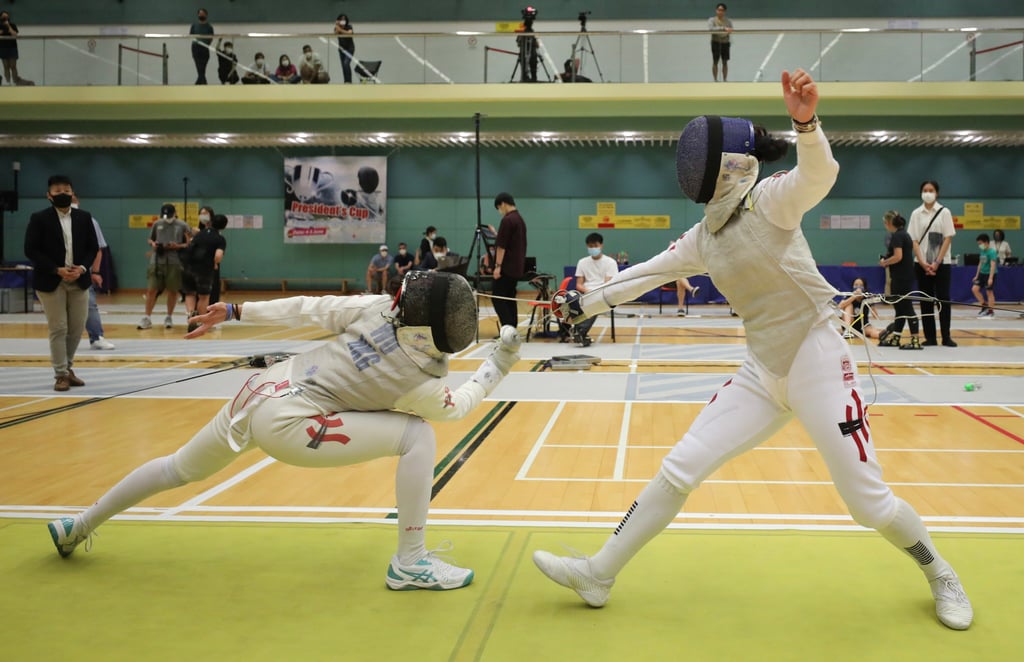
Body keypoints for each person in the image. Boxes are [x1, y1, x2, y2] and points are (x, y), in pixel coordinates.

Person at [534, 69, 973, 631]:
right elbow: (642, 274)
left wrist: (806, 124)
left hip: (819, 361)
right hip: (762, 372)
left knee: (868, 504)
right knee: (680, 467)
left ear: (730, 163)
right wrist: (582, 303)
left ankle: (940, 572)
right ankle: (599, 573)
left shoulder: (772, 201)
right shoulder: (704, 236)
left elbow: (820, 174)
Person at [47, 272, 521, 592]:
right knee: (418, 436)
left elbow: (308, 309)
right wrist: (499, 363)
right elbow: (456, 407)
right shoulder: (421, 381)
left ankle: (78, 525)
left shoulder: (379, 309)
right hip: (293, 424)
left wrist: (235, 313)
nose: (401, 296)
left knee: (179, 468)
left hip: (260, 391)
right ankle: (411, 562)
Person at [23, 176, 99, 391]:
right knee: (59, 327)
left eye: (66, 189)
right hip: (50, 280)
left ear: (73, 193)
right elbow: (31, 249)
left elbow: (92, 248)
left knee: (75, 329)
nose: (62, 193)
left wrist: (82, 268)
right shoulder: (39, 218)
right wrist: (56, 269)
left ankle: (67, 367)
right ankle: (61, 374)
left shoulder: (84, 217)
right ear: (49, 195)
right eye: (57, 190)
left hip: (79, 280)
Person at [909, 180, 957, 347]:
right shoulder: (916, 214)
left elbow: (948, 237)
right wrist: (923, 262)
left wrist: (937, 262)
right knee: (926, 300)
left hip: (942, 264)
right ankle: (930, 337)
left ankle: (946, 336)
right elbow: (914, 240)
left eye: (931, 190)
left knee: (943, 299)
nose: (927, 193)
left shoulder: (945, 212)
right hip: (921, 264)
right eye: (925, 190)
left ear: (937, 193)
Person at [70, 195, 115, 351]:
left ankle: (96, 337)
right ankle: (63, 339)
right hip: (59, 272)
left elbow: (98, 249)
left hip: (82, 271)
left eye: (72, 198)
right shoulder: (49, 221)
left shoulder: (89, 221)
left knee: (89, 305)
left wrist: (95, 271)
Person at [139, 204, 192, 330]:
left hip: (174, 261)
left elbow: (189, 243)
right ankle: (147, 317)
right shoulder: (157, 224)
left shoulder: (182, 225)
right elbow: (150, 239)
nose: (167, 218)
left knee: (172, 290)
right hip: (157, 260)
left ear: (174, 213)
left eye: (169, 215)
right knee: (151, 289)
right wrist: (154, 244)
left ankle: (169, 316)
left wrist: (178, 246)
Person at [563, 232, 618, 346]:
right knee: (567, 300)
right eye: (590, 246)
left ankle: (580, 331)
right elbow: (579, 285)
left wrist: (595, 292)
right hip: (586, 293)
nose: (593, 248)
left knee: (594, 302)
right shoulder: (582, 262)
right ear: (587, 246)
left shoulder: (610, 262)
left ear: (601, 245)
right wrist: (588, 291)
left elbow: (608, 284)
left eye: (595, 245)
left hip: (603, 294)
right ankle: (570, 331)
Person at [877, 213, 922, 349]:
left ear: (889, 223)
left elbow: (898, 256)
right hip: (903, 275)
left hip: (902, 277)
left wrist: (885, 262)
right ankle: (896, 338)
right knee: (900, 308)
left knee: (906, 307)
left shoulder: (897, 236)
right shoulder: (905, 234)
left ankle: (915, 340)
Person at [183, 213, 228, 332]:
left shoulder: (199, 234)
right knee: (203, 297)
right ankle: (200, 321)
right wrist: (215, 263)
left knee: (190, 294)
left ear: (211, 222)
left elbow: (189, 247)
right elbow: (218, 255)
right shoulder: (219, 239)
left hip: (188, 267)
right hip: (204, 270)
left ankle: (190, 314)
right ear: (224, 227)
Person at [492, 193, 528, 328]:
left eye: (499, 208)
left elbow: (502, 246)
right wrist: (496, 233)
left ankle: (507, 328)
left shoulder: (507, 220)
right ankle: (512, 327)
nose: (500, 212)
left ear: (503, 204)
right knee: (510, 298)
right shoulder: (519, 219)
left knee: (498, 298)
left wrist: (498, 266)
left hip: (506, 267)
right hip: (517, 267)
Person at [971, 233, 998, 318]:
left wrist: (990, 278)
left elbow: (993, 265)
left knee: (989, 292)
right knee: (975, 289)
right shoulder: (982, 251)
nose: (979, 245)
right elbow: (980, 263)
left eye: (980, 243)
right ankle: (984, 306)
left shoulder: (992, 252)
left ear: (986, 242)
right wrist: (976, 275)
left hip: (989, 274)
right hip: (982, 273)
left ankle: (990, 311)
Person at [0, 10, 29, 86]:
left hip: (12, 48)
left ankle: (15, 81)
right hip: (2, 48)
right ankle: (8, 82)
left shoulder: (12, 25)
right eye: (3, 17)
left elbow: (15, 34)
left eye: (6, 17)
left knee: (13, 66)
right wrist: (2, 29)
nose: (5, 18)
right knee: (6, 67)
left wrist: (8, 26)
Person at [708, 3, 733, 82]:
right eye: (719, 10)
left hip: (725, 43)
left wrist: (725, 31)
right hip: (715, 42)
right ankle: (715, 80)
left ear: (724, 11)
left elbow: (730, 30)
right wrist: (723, 28)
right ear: (716, 10)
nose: (720, 12)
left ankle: (725, 79)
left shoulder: (728, 21)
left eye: (722, 10)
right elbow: (711, 29)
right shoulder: (711, 20)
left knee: (725, 62)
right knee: (715, 61)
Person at [189, 8, 214, 85]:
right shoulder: (194, 25)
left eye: (203, 14)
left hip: (205, 48)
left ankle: (200, 83)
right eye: (200, 14)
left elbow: (211, 37)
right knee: (198, 66)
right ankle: (203, 82)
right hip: (196, 48)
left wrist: (206, 45)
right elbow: (191, 35)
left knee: (202, 67)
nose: (201, 15)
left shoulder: (209, 26)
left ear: (206, 15)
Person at [334, 14, 355, 84]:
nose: (343, 21)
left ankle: (349, 81)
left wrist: (341, 30)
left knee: (346, 63)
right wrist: (337, 25)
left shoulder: (349, 26)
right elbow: (336, 33)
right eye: (341, 19)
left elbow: (349, 33)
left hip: (350, 48)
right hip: (341, 49)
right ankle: (345, 81)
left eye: (344, 19)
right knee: (343, 65)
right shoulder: (337, 27)